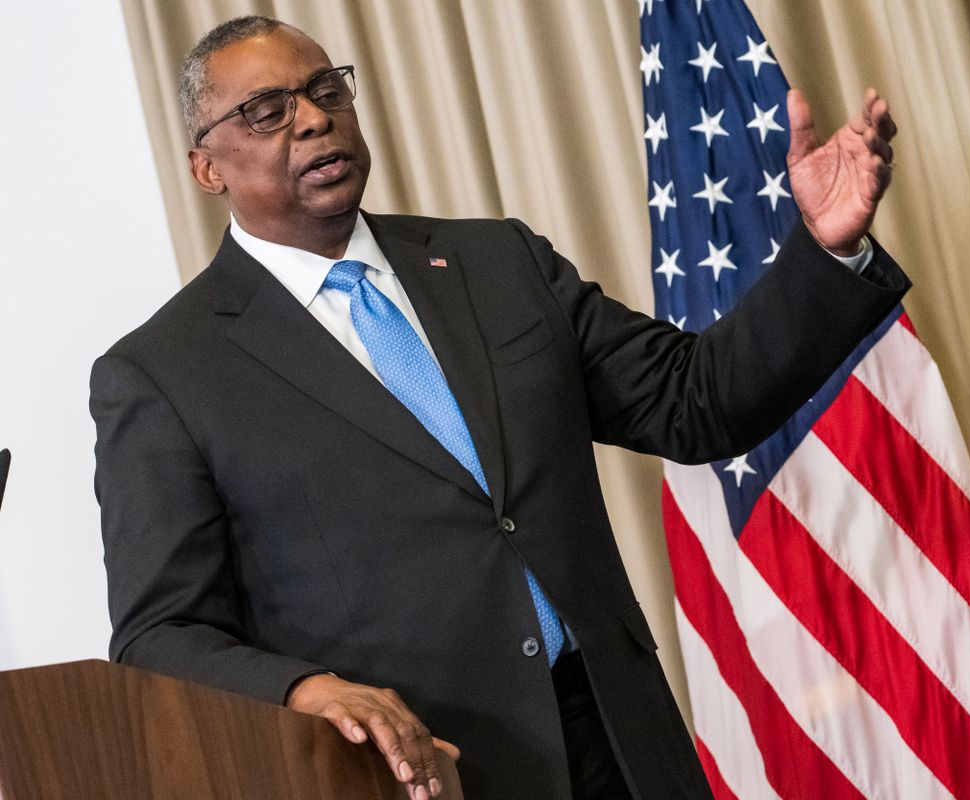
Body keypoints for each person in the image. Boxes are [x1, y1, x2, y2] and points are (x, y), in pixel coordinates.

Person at [91, 15, 906, 800]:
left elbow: (696, 401)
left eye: (325, 91)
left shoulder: (494, 261)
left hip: (620, 737)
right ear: (208, 168)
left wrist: (825, 251)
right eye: (267, 112)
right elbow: (158, 633)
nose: (311, 120)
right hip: (425, 771)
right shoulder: (164, 373)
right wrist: (306, 689)